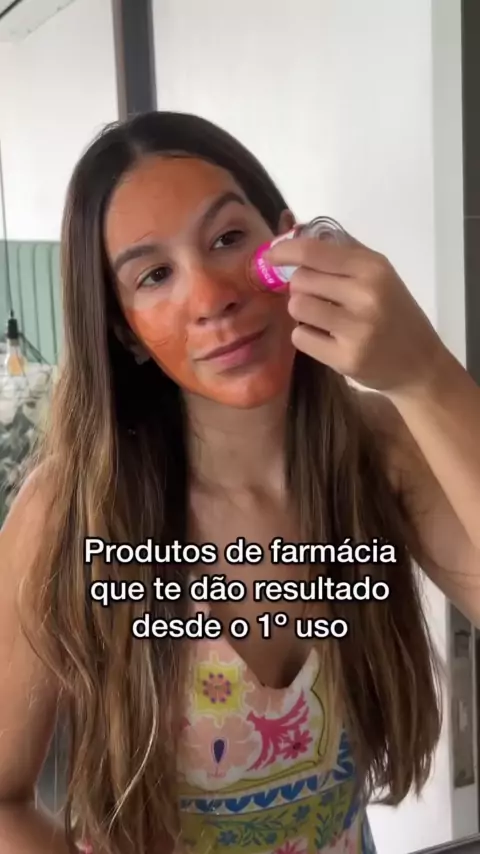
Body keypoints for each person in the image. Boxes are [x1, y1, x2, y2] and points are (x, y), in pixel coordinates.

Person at [0, 111, 479, 854]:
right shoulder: (70, 513)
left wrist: (427, 376)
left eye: (227, 237)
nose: (211, 297)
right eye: (154, 275)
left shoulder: (381, 450)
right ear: (125, 331)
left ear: (290, 244)